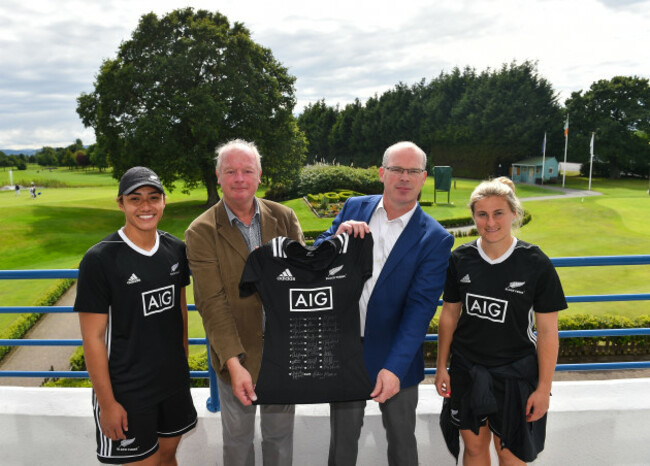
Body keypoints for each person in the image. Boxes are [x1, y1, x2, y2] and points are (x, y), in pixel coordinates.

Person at [315, 141, 454, 466]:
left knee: (402, 444)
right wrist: (336, 239)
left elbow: (420, 310)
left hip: (397, 359)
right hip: (346, 352)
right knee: (342, 446)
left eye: (413, 171)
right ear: (382, 173)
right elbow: (315, 255)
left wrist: (394, 368)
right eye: (396, 170)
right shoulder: (353, 208)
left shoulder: (434, 238)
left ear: (423, 178)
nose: (404, 178)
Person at [185, 139, 304, 466]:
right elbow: (212, 304)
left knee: (280, 442)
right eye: (231, 171)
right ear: (218, 176)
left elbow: (302, 284)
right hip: (235, 359)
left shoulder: (285, 217)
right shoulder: (200, 231)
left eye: (247, 170)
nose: (239, 178)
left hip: (282, 357)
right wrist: (236, 364)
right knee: (238, 445)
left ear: (259, 175)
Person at [434, 177, 567, 465]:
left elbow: (546, 331)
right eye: (482, 214)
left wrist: (543, 389)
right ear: (473, 216)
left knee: (512, 455)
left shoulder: (535, 262)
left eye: (498, 213)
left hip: (515, 374)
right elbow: (449, 315)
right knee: (473, 450)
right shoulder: (460, 258)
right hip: (467, 370)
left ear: (514, 214)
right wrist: (442, 367)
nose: (490, 221)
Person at [74, 166, 197, 465]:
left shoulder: (175, 250)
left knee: (167, 458)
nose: (145, 206)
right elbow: (92, 338)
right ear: (121, 203)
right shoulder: (99, 259)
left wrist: (182, 371)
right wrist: (107, 403)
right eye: (135, 198)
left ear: (164, 201)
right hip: (127, 392)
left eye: (153, 198)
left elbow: (179, 313)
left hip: (171, 383)